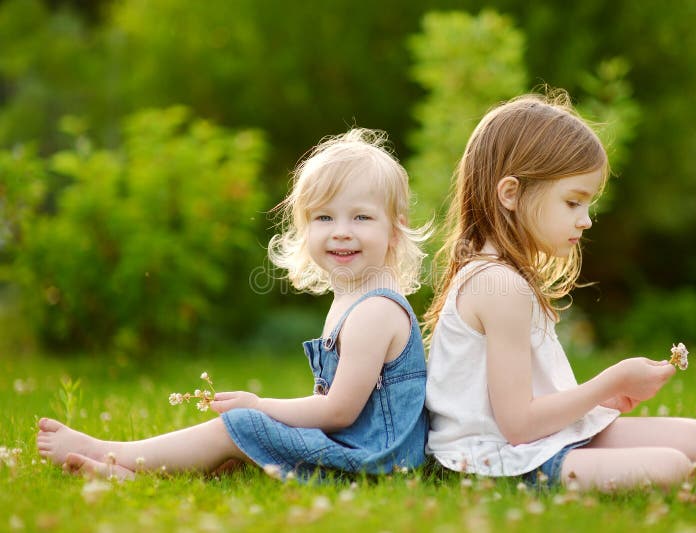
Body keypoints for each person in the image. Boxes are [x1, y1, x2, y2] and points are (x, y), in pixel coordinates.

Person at [37, 128, 430, 480]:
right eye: (325, 218)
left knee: (241, 425)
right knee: (243, 443)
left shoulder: (375, 311)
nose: (341, 232)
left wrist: (260, 405)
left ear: (394, 232)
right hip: (357, 449)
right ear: (304, 228)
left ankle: (115, 455)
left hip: (375, 464)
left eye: (361, 217)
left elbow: (339, 412)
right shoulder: (352, 297)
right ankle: (135, 476)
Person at [423, 92, 696, 491]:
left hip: (532, 438)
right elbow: (518, 425)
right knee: (670, 467)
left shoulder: (503, 274)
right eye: (573, 202)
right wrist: (611, 382)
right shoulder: (498, 285)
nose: (587, 220)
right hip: (492, 457)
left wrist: (599, 404)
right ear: (510, 193)